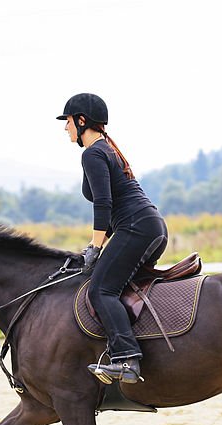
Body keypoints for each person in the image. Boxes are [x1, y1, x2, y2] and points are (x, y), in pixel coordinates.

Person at [57, 93, 168, 384]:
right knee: (117, 285)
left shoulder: (92, 153)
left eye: (67, 122)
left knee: (100, 291)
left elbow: (103, 204)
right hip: (150, 226)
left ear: (81, 121)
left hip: (136, 228)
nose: (65, 128)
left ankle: (126, 359)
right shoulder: (106, 150)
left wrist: (95, 246)